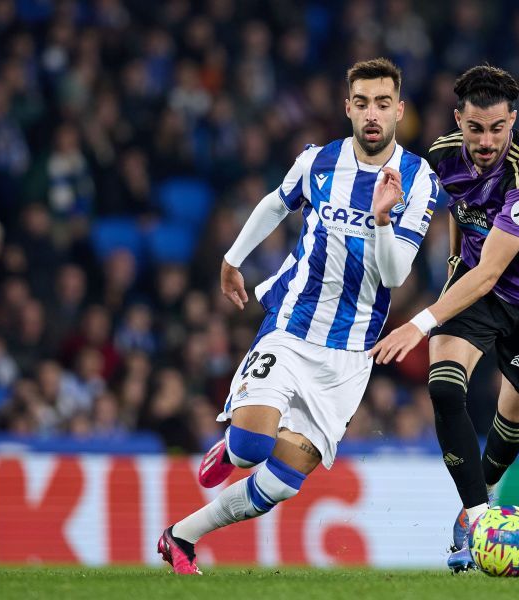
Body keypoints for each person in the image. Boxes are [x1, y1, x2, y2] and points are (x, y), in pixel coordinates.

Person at [157, 58, 438, 575]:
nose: (372, 114)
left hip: (352, 355)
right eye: (362, 103)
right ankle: (232, 445)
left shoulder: (419, 179)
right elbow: (275, 203)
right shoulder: (318, 161)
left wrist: (380, 219)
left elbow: (396, 274)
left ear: (398, 110)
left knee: (280, 484)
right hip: (292, 325)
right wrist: (232, 260)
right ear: (347, 107)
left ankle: (181, 536)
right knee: (248, 450)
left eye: (382, 104)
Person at [369, 65, 519, 571]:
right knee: (444, 388)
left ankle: (478, 500)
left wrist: (417, 323)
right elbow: (460, 210)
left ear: (514, 121)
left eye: (498, 128)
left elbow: (491, 273)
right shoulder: (441, 154)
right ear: (459, 119)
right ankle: (478, 518)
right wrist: (450, 263)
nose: (486, 141)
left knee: (511, 424)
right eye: (476, 128)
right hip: (476, 286)